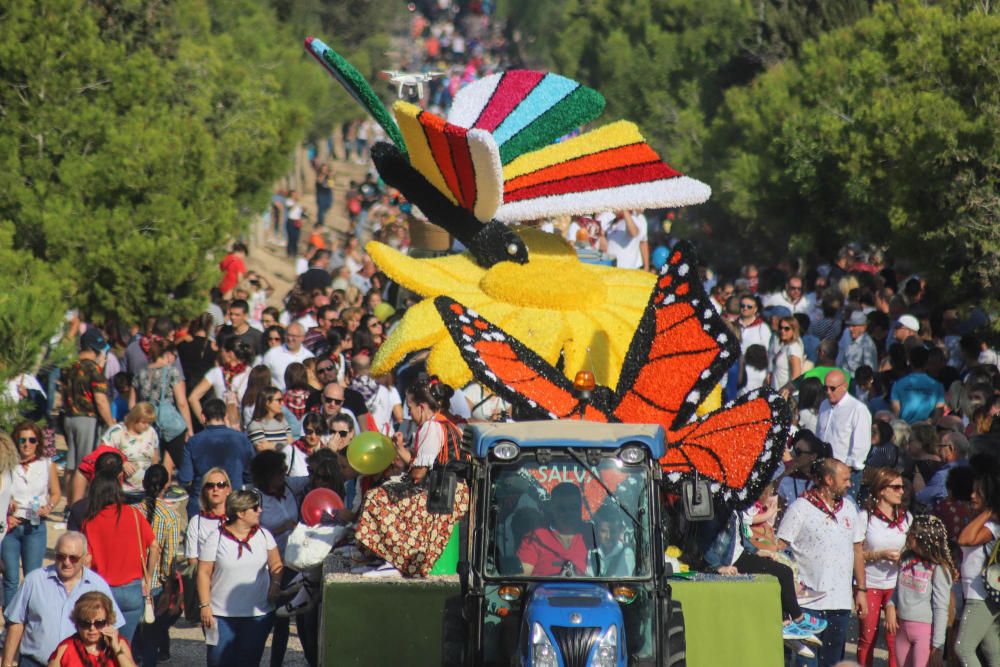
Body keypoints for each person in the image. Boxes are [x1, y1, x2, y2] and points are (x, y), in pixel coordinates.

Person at [776, 459, 868, 667]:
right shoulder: (801, 508)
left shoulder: (850, 508)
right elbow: (779, 548)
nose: (850, 483)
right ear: (828, 479)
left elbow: (857, 549)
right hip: (808, 604)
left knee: (833, 662)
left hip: (840, 602)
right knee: (807, 662)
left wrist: (861, 589)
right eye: (845, 479)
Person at [2, 532, 124, 667]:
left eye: (73, 558)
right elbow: (17, 623)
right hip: (34, 662)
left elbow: (113, 626)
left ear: (85, 558)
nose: (66, 562)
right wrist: (7, 662)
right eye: (61, 556)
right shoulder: (34, 581)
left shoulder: (98, 585)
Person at [197, 489, 282, 667]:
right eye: (255, 508)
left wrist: (275, 583)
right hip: (221, 615)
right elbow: (204, 572)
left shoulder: (264, 535)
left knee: (250, 662)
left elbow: (276, 565)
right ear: (240, 513)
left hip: (257, 614)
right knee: (218, 661)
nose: (260, 510)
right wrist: (205, 605)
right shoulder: (216, 537)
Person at [80, 473, 158, 644]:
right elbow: (154, 545)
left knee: (101, 646)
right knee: (123, 646)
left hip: (104, 589)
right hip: (132, 589)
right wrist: (148, 575)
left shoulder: (90, 522)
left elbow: (87, 559)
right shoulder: (134, 514)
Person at [856, 469, 912, 667]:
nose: (901, 492)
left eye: (902, 487)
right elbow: (855, 554)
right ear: (881, 490)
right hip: (870, 582)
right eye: (896, 487)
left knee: (894, 639)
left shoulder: (906, 518)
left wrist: (903, 557)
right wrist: (878, 555)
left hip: (896, 585)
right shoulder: (866, 517)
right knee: (867, 638)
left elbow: (912, 551)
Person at [3, 421, 61, 607]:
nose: (27, 444)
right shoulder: (8, 465)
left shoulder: (46, 464)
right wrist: (7, 504)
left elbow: (56, 493)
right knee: (10, 578)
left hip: (35, 526)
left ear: (38, 442)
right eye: (22, 440)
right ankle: (11, 623)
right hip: (12, 526)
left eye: (32, 440)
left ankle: (27, 619)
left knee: (32, 577)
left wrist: (49, 506)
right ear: (16, 442)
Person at [885, 515, 956, 667]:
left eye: (914, 533)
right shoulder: (906, 561)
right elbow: (898, 589)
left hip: (924, 633)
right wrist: (890, 605)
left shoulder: (939, 569)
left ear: (926, 540)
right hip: (902, 629)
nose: (909, 534)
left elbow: (940, 608)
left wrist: (938, 646)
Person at [59, 328, 115, 509]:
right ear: (93, 348)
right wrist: (111, 423)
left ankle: (69, 503)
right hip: (87, 419)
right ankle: (76, 507)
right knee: (84, 466)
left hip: (68, 418)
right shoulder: (94, 370)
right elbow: (100, 400)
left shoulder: (69, 367)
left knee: (72, 463)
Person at [954, 457, 1000, 667]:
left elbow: (965, 539)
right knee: (992, 650)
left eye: (978, 493)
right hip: (979, 593)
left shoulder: (992, 526)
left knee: (963, 648)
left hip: (980, 595)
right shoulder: (985, 521)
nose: (972, 496)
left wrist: (990, 510)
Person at [132, 465, 180, 666]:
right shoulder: (170, 516)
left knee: (132, 637)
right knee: (152, 636)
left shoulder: (131, 512)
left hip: (131, 580)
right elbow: (170, 556)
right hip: (156, 583)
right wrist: (169, 587)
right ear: (166, 486)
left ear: (144, 483)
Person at [177, 399, 254, 520]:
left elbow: (185, 478)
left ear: (203, 417)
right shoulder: (242, 439)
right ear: (225, 416)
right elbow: (250, 474)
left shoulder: (193, 442)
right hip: (233, 504)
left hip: (201, 506)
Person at [130, 339, 193, 469]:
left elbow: (132, 405)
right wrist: (189, 428)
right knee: (179, 462)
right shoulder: (172, 372)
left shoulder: (139, 374)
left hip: (146, 424)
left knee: (152, 464)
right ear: (168, 354)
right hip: (169, 425)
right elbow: (181, 402)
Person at [392, 378, 462, 484]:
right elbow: (418, 463)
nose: (409, 414)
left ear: (421, 407)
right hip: (449, 489)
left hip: (442, 493)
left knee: (374, 497)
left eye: (409, 408)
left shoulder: (432, 426)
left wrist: (403, 480)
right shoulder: (443, 423)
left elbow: (419, 474)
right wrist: (399, 448)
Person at [816, 369, 872, 496]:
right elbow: (819, 435)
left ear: (844, 386)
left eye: (832, 388)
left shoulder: (857, 409)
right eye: (825, 388)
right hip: (824, 470)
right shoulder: (824, 405)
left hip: (846, 473)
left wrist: (846, 470)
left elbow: (861, 447)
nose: (828, 392)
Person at [517, 483, 589, 576]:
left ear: (581, 508)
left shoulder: (591, 535)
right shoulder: (535, 538)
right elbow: (520, 581)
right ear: (552, 508)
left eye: (574, 508)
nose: (568, 514)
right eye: (562, 509)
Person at [47, 592, 136, 667]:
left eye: (99, 623)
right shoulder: (65, 648)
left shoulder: (119, 644)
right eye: (85, 623)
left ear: (108, 622)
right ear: (77, 623)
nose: (92, 628)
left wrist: (116, 648)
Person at [99, 403, 162, 501]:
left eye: (149, 423)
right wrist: (121, 462)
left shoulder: (151, 432)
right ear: (134, 419)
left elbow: (155, 457)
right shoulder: (117, 431)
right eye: (144, 422)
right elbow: (102, 452)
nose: (147, 426)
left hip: (144, 489)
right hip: (121, 490)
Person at [188, 338, 255, 428]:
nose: (220, 354)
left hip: (221, 427)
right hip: (245, 426)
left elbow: (193, 398)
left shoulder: (216, 372)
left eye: (222, 351)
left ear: (230, 354)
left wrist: (206, 423)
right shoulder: (252, 372)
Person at [185, 469, 231, 566]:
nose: (215, 489)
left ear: (228, 490)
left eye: (221, 484)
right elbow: (192, 559)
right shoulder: (196, 521)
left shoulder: (236, 518)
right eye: (210, 485)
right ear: (205, 491)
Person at [915, 430, 970, 509]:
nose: (938, 450)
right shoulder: (975, 470)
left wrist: (918, 483)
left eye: (941, 446)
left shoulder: (943, 476)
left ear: (951, 448)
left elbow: (921, 499)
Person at [891, 345, 946, 424]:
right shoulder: (938, 386)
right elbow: (938, 416)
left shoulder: (898, 384)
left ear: (910, 362)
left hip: (905, 429)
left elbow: (896, 414)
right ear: (927, 362)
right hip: (927, 430)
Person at [263, 322, 314, 391]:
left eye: (294, 336)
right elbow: (262, 376)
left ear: (302, 337)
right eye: (288, 335)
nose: (290, 339)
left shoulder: (309, 356)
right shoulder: (272, 354)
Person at [246, 387, 293, 453]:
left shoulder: (283, 422)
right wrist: (284, 446)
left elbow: (292, 446)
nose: (282, 403)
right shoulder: (255, 425)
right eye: (279, 400)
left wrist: (273, 446)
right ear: (267, 403)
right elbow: (262, 449)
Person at [837, 311, 878, 375]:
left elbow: (870, 371)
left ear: (864, 327)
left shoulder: (868, 345)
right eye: (850, 325)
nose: (850, 328)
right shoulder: (848, 336)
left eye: (854, 326)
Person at [287, 413, 327, 478]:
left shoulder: (326, 453)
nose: (313, 436)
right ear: (304, 430)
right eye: (309, 431)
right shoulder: (291, 450)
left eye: (318, 432)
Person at [770, 316, 804, 390]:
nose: (782, 331)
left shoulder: (793, 348)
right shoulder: (785, 346)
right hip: (776, 391)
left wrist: (786, 392)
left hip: (786, 394)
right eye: (780, 327)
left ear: (794, 330)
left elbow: (796, 376)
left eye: (786, 329)